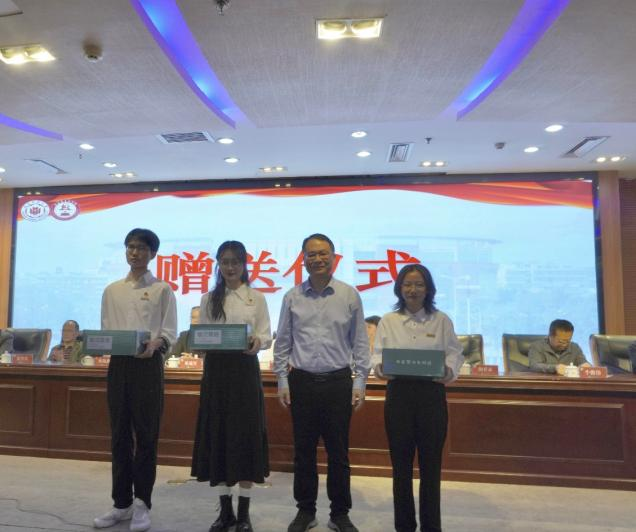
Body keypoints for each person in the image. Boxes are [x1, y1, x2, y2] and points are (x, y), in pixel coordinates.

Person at [274, 233, 370, 532]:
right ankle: (306, 511)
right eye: (311, 254)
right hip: (301, 382)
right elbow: (283, 341)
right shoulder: (292, 297)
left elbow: (360, 342)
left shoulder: (349, 295)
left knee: (338, 453)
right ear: (303, 259)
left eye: (323, 253)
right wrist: (281, 379)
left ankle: (339, 513)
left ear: (333, 257)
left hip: (338, 382)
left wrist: (360, 382)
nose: (317, 259)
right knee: (303, 452)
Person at [94, 228, 177, 532]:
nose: (135, 252)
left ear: (152, 253)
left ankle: (142, 504)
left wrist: (157, 344)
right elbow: (106, 330)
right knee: (119, 435)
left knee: (146, 436)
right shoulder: (112, 290)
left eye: (141, 247)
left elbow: (169, 332)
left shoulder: (162, 290)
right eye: (130, 247)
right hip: (119, 365)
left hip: (148, 366)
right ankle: (121, 503)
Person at [373, 263, 463, 532]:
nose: (413, 289)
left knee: (430, 468)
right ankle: (404, 526)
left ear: (428, 289)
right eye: (408, 284)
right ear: (399, 288)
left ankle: (431, 527)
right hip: (399, 396)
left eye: (419, 284)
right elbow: (377, 354)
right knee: (400, 467)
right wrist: (379, 367)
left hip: (431, 396)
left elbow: (455, 353)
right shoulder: (388, 321)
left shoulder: (441, 320)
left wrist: (449, 370)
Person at [191, 241, 272, 532]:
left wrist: (257, 342)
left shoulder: (256, 297)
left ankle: (244, 514)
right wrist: (198, 343)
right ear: (218, 265)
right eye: (224, 262)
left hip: (245, 371)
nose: (230, 267)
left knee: (245, 438)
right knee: (220, 436)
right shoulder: (208, 298)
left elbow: (266, 334)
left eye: (235, 261)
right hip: (216, 373)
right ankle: (225, 512)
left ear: (244, 264)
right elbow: (202, 336)